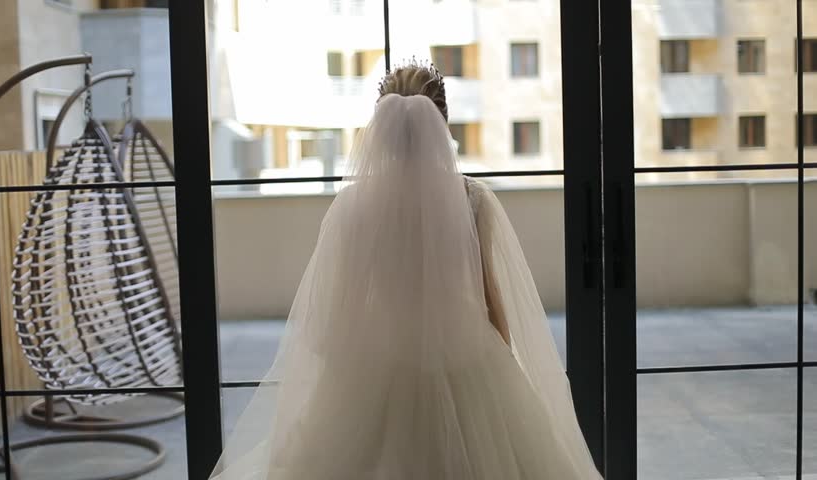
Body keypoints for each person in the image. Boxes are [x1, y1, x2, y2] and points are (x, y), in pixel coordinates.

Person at [210, 60, 604, 480]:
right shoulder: (472, 199)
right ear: (444, 123)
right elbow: (491, 299)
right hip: (465, 359)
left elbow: (336, 313)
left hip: (379, 362)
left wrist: (341, 378)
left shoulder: (354, 205)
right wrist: (503, 367)